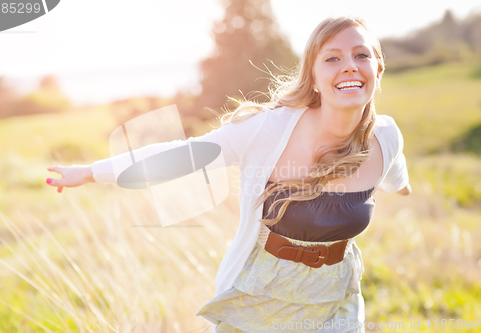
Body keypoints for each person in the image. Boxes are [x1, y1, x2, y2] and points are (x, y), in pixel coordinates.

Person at [46, 16, 411, 333]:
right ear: (314, 77)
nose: (349, 65)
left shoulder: (385, 137)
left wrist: (403, 186)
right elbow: (184, 156)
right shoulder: (267, 130)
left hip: (337, 298)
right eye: (333, 58)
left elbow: (395, 172)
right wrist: (91, 172)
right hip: (263, 293)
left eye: (361, 55)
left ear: (377, 71)